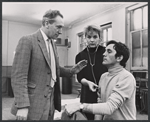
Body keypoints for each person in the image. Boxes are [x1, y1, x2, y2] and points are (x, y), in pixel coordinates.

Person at [10, 9, 87, 120]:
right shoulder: (27, 40)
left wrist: (72, 71)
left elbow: (52, 69)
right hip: (33, 102)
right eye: (58, 27)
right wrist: (22, 106)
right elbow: (18, 76)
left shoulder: (52, 44)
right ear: (46, 23)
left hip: (51, 100)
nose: (61, 31)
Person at [65, 40, 136, 120]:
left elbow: (109, 107)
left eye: (109, 52)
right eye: (105, 51)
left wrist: (80, 106)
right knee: (71, 114)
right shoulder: (103, 77)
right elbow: (100, 102)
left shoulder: (126, 77)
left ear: (119, 58)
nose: (104, 54)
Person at [75, 25, 107, 120]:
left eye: (95, 37)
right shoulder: (80, 56)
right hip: (87, 93)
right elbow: (80, 77)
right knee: (88, 117)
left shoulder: (106, 52)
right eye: (89, 37)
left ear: (100, 38)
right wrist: (88, 83)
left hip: (105, 91)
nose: (92, 40)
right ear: (85, 38)